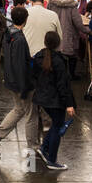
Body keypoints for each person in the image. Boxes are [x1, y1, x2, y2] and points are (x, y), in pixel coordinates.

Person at [0, 4, 35, 156]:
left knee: (19, 110)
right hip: (20, 82)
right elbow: (20, 64)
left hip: (11, 79)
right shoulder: (19, 38)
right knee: (31, 114)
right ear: (26, 20)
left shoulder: (9, 33)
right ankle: (33, 147)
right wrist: (24, 88)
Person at [32, 28, 75, 171]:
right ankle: (51, 159)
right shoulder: (59, 61)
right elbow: (63, 85)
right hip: (56, 100)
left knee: (55, 125)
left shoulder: (38, 57)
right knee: (57, 127)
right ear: (58, 43)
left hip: (42, 99)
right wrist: (69, 104)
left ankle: (44, 148)